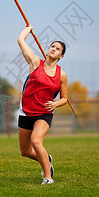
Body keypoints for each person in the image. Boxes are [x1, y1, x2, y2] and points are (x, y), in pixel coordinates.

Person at [17, 25, 68, 185]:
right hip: (26, 111)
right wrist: (28, 29)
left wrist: (55, 104)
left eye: (57, 48)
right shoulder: (34, 62)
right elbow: (20, 40)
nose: (53, 49)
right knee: (25, 151)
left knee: (36, 141)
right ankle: (47, 159)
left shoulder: (62, 74)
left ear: (61, 55)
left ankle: (48, 177)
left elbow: (65, 98)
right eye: (52, 46)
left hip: (44, 113)